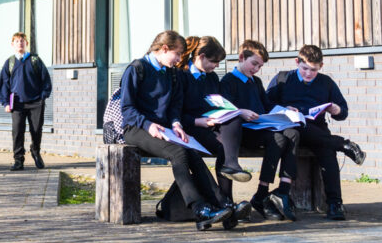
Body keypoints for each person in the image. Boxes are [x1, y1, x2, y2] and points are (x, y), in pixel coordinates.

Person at [119, 30, 234, 231]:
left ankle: (222, 203)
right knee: (178, 152)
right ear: (164, 49)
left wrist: (176, 124)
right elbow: (127, 109)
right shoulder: (136, 69)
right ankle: (199, 208)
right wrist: (148, 125)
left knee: (192, 152)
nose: (180, 59)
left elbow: (174, 106)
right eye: (178, 54)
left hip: (164, 128)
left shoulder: (171, 73)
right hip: (136, 128)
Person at [266, 44, 366, 220]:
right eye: (304, 68)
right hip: (290, 130)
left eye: (313, 70)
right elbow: (265, 105)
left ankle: (335, 204)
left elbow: (343, 112)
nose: (308, 73)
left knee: (327, 151)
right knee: (303, 128)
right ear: (297, 62)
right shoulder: (283, 79)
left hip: (317, 131)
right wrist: (283, 108)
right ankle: (343, 144)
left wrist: (335, 109)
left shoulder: (326, 82)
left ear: (321, 66)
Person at [218, 40, 298, 221]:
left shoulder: (256, 81)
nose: (256, 69)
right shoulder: (228, 81)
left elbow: (267, 104)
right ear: (241, 58)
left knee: (292, 133)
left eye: (260, 66)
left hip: (260, 127)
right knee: (278, 139)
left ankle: (269, 192)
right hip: (242, 132)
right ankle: (261, 195)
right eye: (254, 64)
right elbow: (226, 109)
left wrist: (284, 110)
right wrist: (242, 113)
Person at [178, 36, 256, 220]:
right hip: (190, 126)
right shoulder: (182, 76)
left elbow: (217, 102)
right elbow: (173, 111)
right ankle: (227, 202)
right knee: (223, 148)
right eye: (214, 62)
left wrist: (227, 111)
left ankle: (231, 167)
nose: (216, 67)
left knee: (234, 123)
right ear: (202, 56)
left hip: (211, 123)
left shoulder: (212, 77)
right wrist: (197, 121)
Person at [0, 32, 52, 171]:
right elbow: (3, 84)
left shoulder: (35, 60)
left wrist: (43, 96)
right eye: (16, 41)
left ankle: (35, 151)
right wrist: (5, 103)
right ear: (12, 45)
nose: (19, 43)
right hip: (17, 104)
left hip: (35, 103)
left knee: (36, 130)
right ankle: (18, 159)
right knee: (17, 131)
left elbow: (46, 80)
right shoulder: (9, 62)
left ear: (26, 43)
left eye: (22, 41)